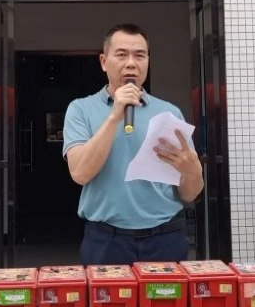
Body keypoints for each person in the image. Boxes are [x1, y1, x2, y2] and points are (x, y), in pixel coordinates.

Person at [62, 24, 204, 265]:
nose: (131, 64)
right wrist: (115, 116)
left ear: (147, 61)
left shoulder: (170, 113)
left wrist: (193, 172)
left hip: (165, 237)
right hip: (106, 240)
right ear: (104, 62)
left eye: (139, 55)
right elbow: (80, 173)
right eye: (121, 55)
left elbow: (189, 193)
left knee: (165, 294)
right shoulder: (80, 109)